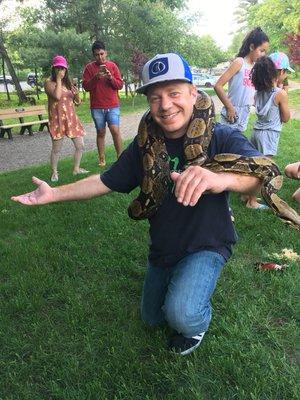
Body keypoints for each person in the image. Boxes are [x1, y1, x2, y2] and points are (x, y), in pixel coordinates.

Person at [12, 53, 263, 356]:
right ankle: (179, 282)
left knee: (181, 315)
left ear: (193, 94)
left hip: (207, 243)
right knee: (151, 317)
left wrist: (222, 180)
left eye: (174, 93)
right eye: (155, 97)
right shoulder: (145, 142)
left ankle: (198, 321)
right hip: (165, 245)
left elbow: (262, 175)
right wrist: (54, 193)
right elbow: (105, 180)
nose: (166, 105)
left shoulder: (222, 136)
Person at [245, 52, 292, 209]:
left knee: (253, 165)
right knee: (263, 170)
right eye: (285, 72)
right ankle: (252, 202)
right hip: (269, 135)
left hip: (256, 132)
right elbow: (285, 118)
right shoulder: (280, 94)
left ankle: (245, 194)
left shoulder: (259, 92)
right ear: (279, 72)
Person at [214, 27, 269, 132]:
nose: (264, 54)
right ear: (252, 47)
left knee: (236, 145)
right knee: (225, 145)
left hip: (245, 112)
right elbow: (218, 86)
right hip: (231, 112)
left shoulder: (255, 67)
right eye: (261, 50)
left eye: (265, 51)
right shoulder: (239, 63)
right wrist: (230, 108)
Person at [45, 55, 89, 182]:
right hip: (57, 121)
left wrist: (76, 94)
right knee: (56, 150)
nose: (61, 71)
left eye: (63, 69)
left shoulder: (68, 83)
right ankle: (54, 172)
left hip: (71, 119)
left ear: (66, 69)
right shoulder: (49, 83)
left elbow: (78, 102)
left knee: (80, 146)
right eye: (58, 69)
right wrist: (58, 80)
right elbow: (57, 96)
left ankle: (76, 168)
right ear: (53, 69)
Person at [82, 41, 124, 167]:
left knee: (115, 130)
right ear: (93, 55)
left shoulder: (113, 66)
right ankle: (102, 159)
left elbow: (120, 85)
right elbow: (86, 87)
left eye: (102, 54)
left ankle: (120, 157)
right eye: (96, 55)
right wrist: (96, 77)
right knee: (100, 132)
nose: (100, 57)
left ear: (106, 53)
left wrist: (110, 77)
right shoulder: (89, 68)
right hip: (97, 107)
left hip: (112, 105)